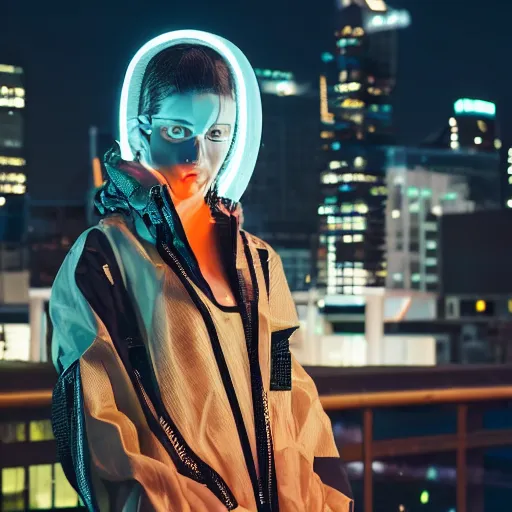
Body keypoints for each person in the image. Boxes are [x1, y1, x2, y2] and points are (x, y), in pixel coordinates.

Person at [50, 31, 353, 512]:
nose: (197, 158)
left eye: (216, 135)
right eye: (177, 132)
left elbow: (291, 395)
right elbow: (100, 431)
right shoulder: (101, 262)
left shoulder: (258, 261)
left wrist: (328, 501)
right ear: (141, 130)